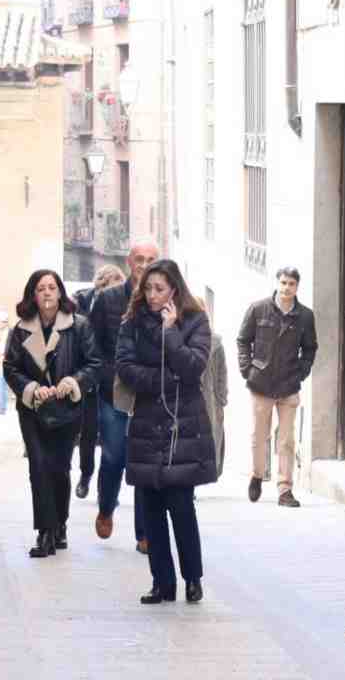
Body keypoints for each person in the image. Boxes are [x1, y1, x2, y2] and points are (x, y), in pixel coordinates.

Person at [116, 259, 215, 604]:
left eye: (159, 288)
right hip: (145, 423)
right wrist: (163, 380)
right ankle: (162, 582)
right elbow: (126, 367)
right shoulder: (132, 322)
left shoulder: (195, 321)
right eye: (148, 288)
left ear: (174, 289)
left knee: (181, 505)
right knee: (151, 506)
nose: (153, 295)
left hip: (182, 425)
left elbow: (193, 367)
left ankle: (192, 578)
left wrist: (171, 332)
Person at [2, 270, 102, 558]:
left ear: (60, 293)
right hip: (33, 410)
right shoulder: (21, 330)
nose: (46, 292)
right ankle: (44, 532)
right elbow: (10, 368)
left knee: (59, 469)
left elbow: (95, 364)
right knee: (38, 467)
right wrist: (32, 388)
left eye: (51, 287)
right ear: (33, 295)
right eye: (40, 288)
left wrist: (72, 383)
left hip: (67, 408)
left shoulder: (79, 327)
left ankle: (60, 524)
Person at [88, 242, 160, 545]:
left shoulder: (161, 300)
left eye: (151, 260)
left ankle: (144, 534)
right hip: (113, 392)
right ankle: (106, 508)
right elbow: (93, 347)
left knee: (144, 462)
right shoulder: (107, 300)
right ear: (129, 262)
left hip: (148, 393)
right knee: (114, 456)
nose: (144, 264)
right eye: (139, 259)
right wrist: (108, 377)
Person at [237, 267, 318, 507]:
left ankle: (285, 489)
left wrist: (301, 372)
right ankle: (257, 475)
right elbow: (243, 340)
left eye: (291, 284)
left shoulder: (305, 316)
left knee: (286, 439)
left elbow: (310, 348)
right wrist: (247, 369)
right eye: (283, 282)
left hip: (289, 384)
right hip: (261, 382)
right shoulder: (257, 309)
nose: (286, 288)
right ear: (277, 283)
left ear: (297, 287)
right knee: (259, 436)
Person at [72, 265, 127, 500]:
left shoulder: (123, 306)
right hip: (86, 375)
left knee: (109, 434)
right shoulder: (81, 302)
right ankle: (85, 475)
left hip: (109, 378)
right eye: (109, 288)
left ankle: (105, 488)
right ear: (100, 286)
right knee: (88, 431)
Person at [199, 302, 229, 478]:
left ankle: (206, 470)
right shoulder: (178, 337)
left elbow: (222, 372)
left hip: (210, 398)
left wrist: (221, 397)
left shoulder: (215, 342)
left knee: (211, 436)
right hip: (187, 397)